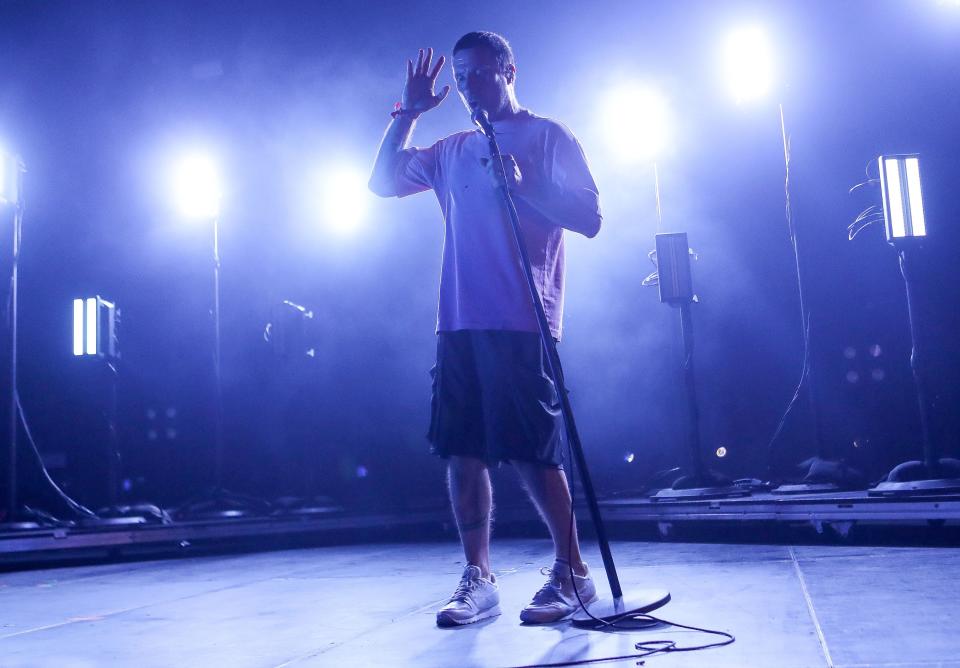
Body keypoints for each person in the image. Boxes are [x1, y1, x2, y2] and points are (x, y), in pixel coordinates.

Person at [368, 31, 602, 626]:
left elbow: (591, 217)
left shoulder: (549, 136)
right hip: (459, 323)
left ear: (509, 70)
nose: (471, 85)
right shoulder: (451, 150)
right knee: (461, 451)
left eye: (481, 73)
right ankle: (479, 576)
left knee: (532, 454)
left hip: (523, 320)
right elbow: (381, 180)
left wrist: (527, 185)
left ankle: (573, 573)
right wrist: (409, 112)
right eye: (462, 76)